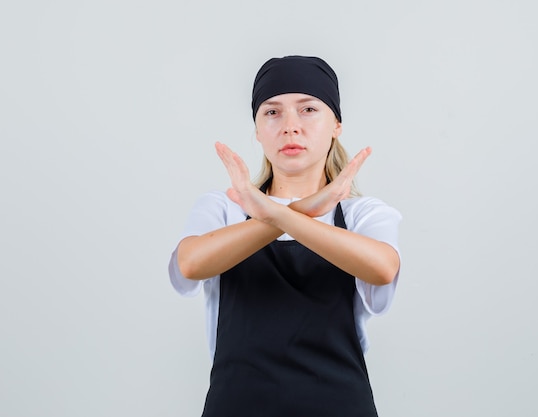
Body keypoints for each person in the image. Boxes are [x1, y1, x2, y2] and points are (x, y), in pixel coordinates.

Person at [168, 55, 402, 417]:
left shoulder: (362, 214)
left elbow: (382, 268)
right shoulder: (225, 207)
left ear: (336, 124)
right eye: (272, 112)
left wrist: (278, 211)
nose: (290, 126)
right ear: (258, 130)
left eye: (308, 109)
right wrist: (307, 208)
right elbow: (191, 263)